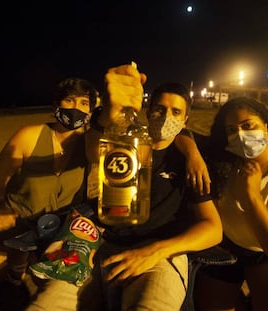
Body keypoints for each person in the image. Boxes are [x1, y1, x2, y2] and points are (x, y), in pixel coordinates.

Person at [26, 64, 222, 310]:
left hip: (158, 253)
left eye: (175, 112)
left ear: (185, 120)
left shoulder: (190, 163)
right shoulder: (125, 141)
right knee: (46, 304)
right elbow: (93, 148)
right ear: (148, 111)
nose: (166, 118)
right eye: (160, 109)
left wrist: (156, 251)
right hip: (98, 245)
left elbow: (213, 229)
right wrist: (108, 112)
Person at [192, 97, 268, 311]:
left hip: (266, 254)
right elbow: (184, 135)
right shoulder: (224, 159)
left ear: (267, 127)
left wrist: (251, 196)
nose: (240, 135)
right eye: (231, 130)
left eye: (248, 125)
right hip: (225, 250)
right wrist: (192, 155)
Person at [0, 77, 99, 297]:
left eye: (84, 103)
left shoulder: (90, 145)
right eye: (69, 100)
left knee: (66, 289)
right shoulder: (28, 136)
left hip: (60, 228)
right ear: (56, 104)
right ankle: (16, 272)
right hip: (17, 225)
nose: (76, 108)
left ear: (92, 111)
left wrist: (190, 149)